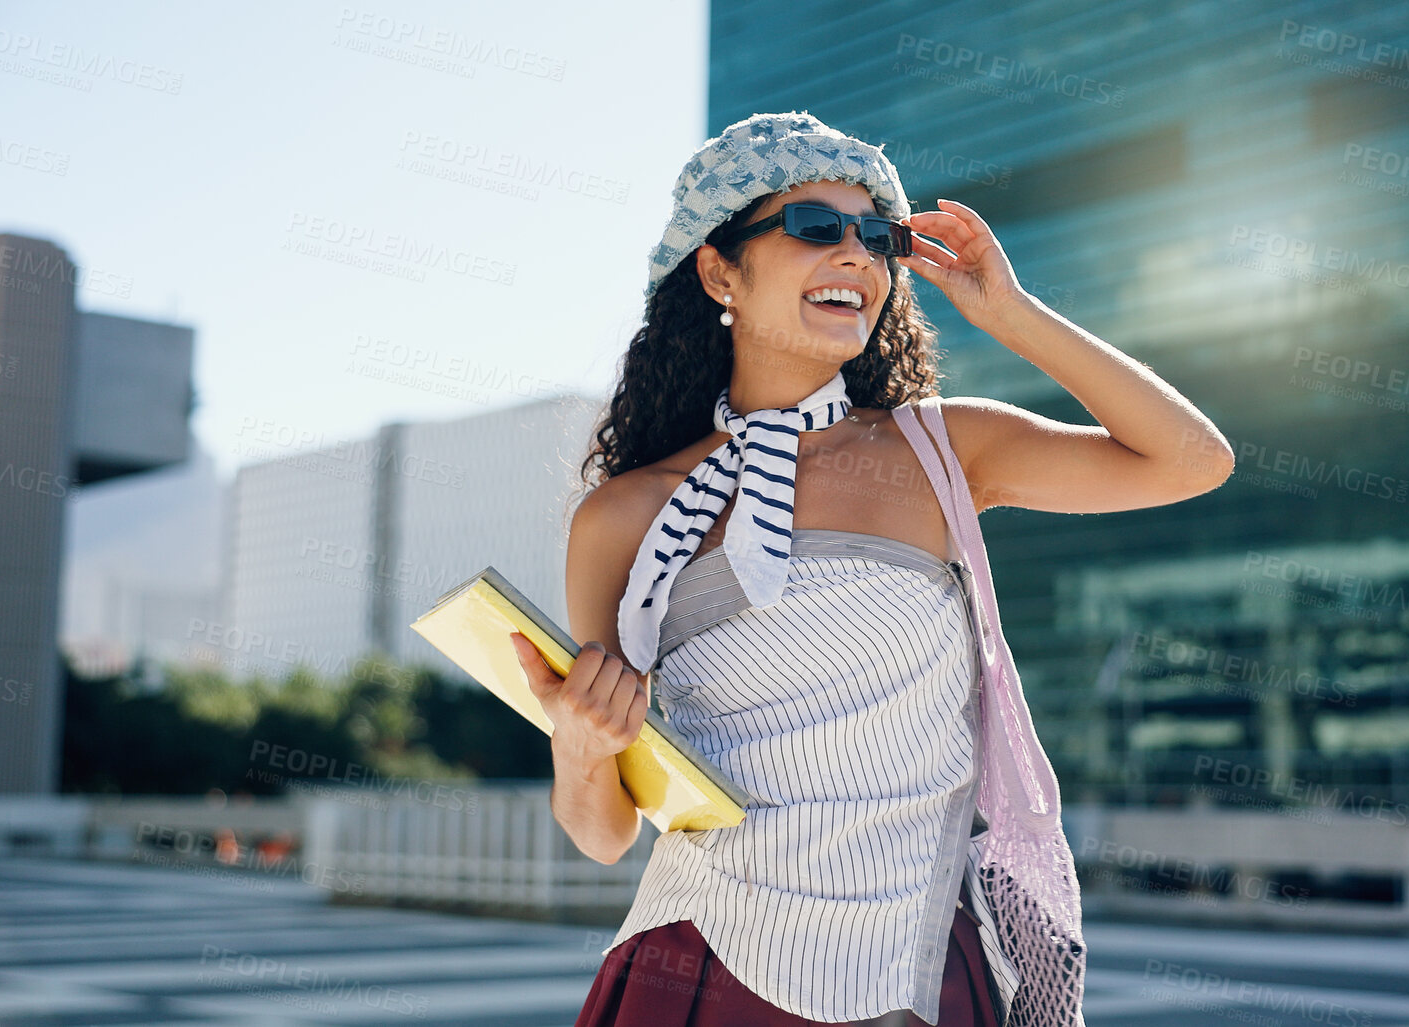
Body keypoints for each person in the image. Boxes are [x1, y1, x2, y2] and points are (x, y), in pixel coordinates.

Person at [509, 111, 1234, 1026]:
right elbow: (604, 830)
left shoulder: (945, 447)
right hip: (699, 962)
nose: (856, 255)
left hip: (922, 964)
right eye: (815, 227)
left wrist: (1010, 312)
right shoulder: (624, 515)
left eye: (878, 237)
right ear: (718, 268)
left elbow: (1191, 461)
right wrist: (579, 747)